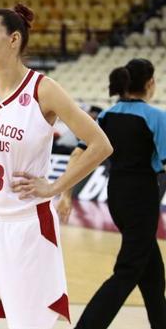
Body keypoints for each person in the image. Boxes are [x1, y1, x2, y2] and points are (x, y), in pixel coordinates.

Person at [0, 4, 113, 329]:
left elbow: (101, 145)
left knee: (28, 323)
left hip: (28, 225)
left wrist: (55, 187)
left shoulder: (43, 89)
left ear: (14, 39)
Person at [73, 59, 166, 329]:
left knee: (152, 273)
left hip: (116, 195)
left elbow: (81, 151)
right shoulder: (157, 117)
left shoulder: (107, 114)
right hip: (142, 198)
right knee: (127, 271)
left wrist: (66, 193)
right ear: (150, 83)